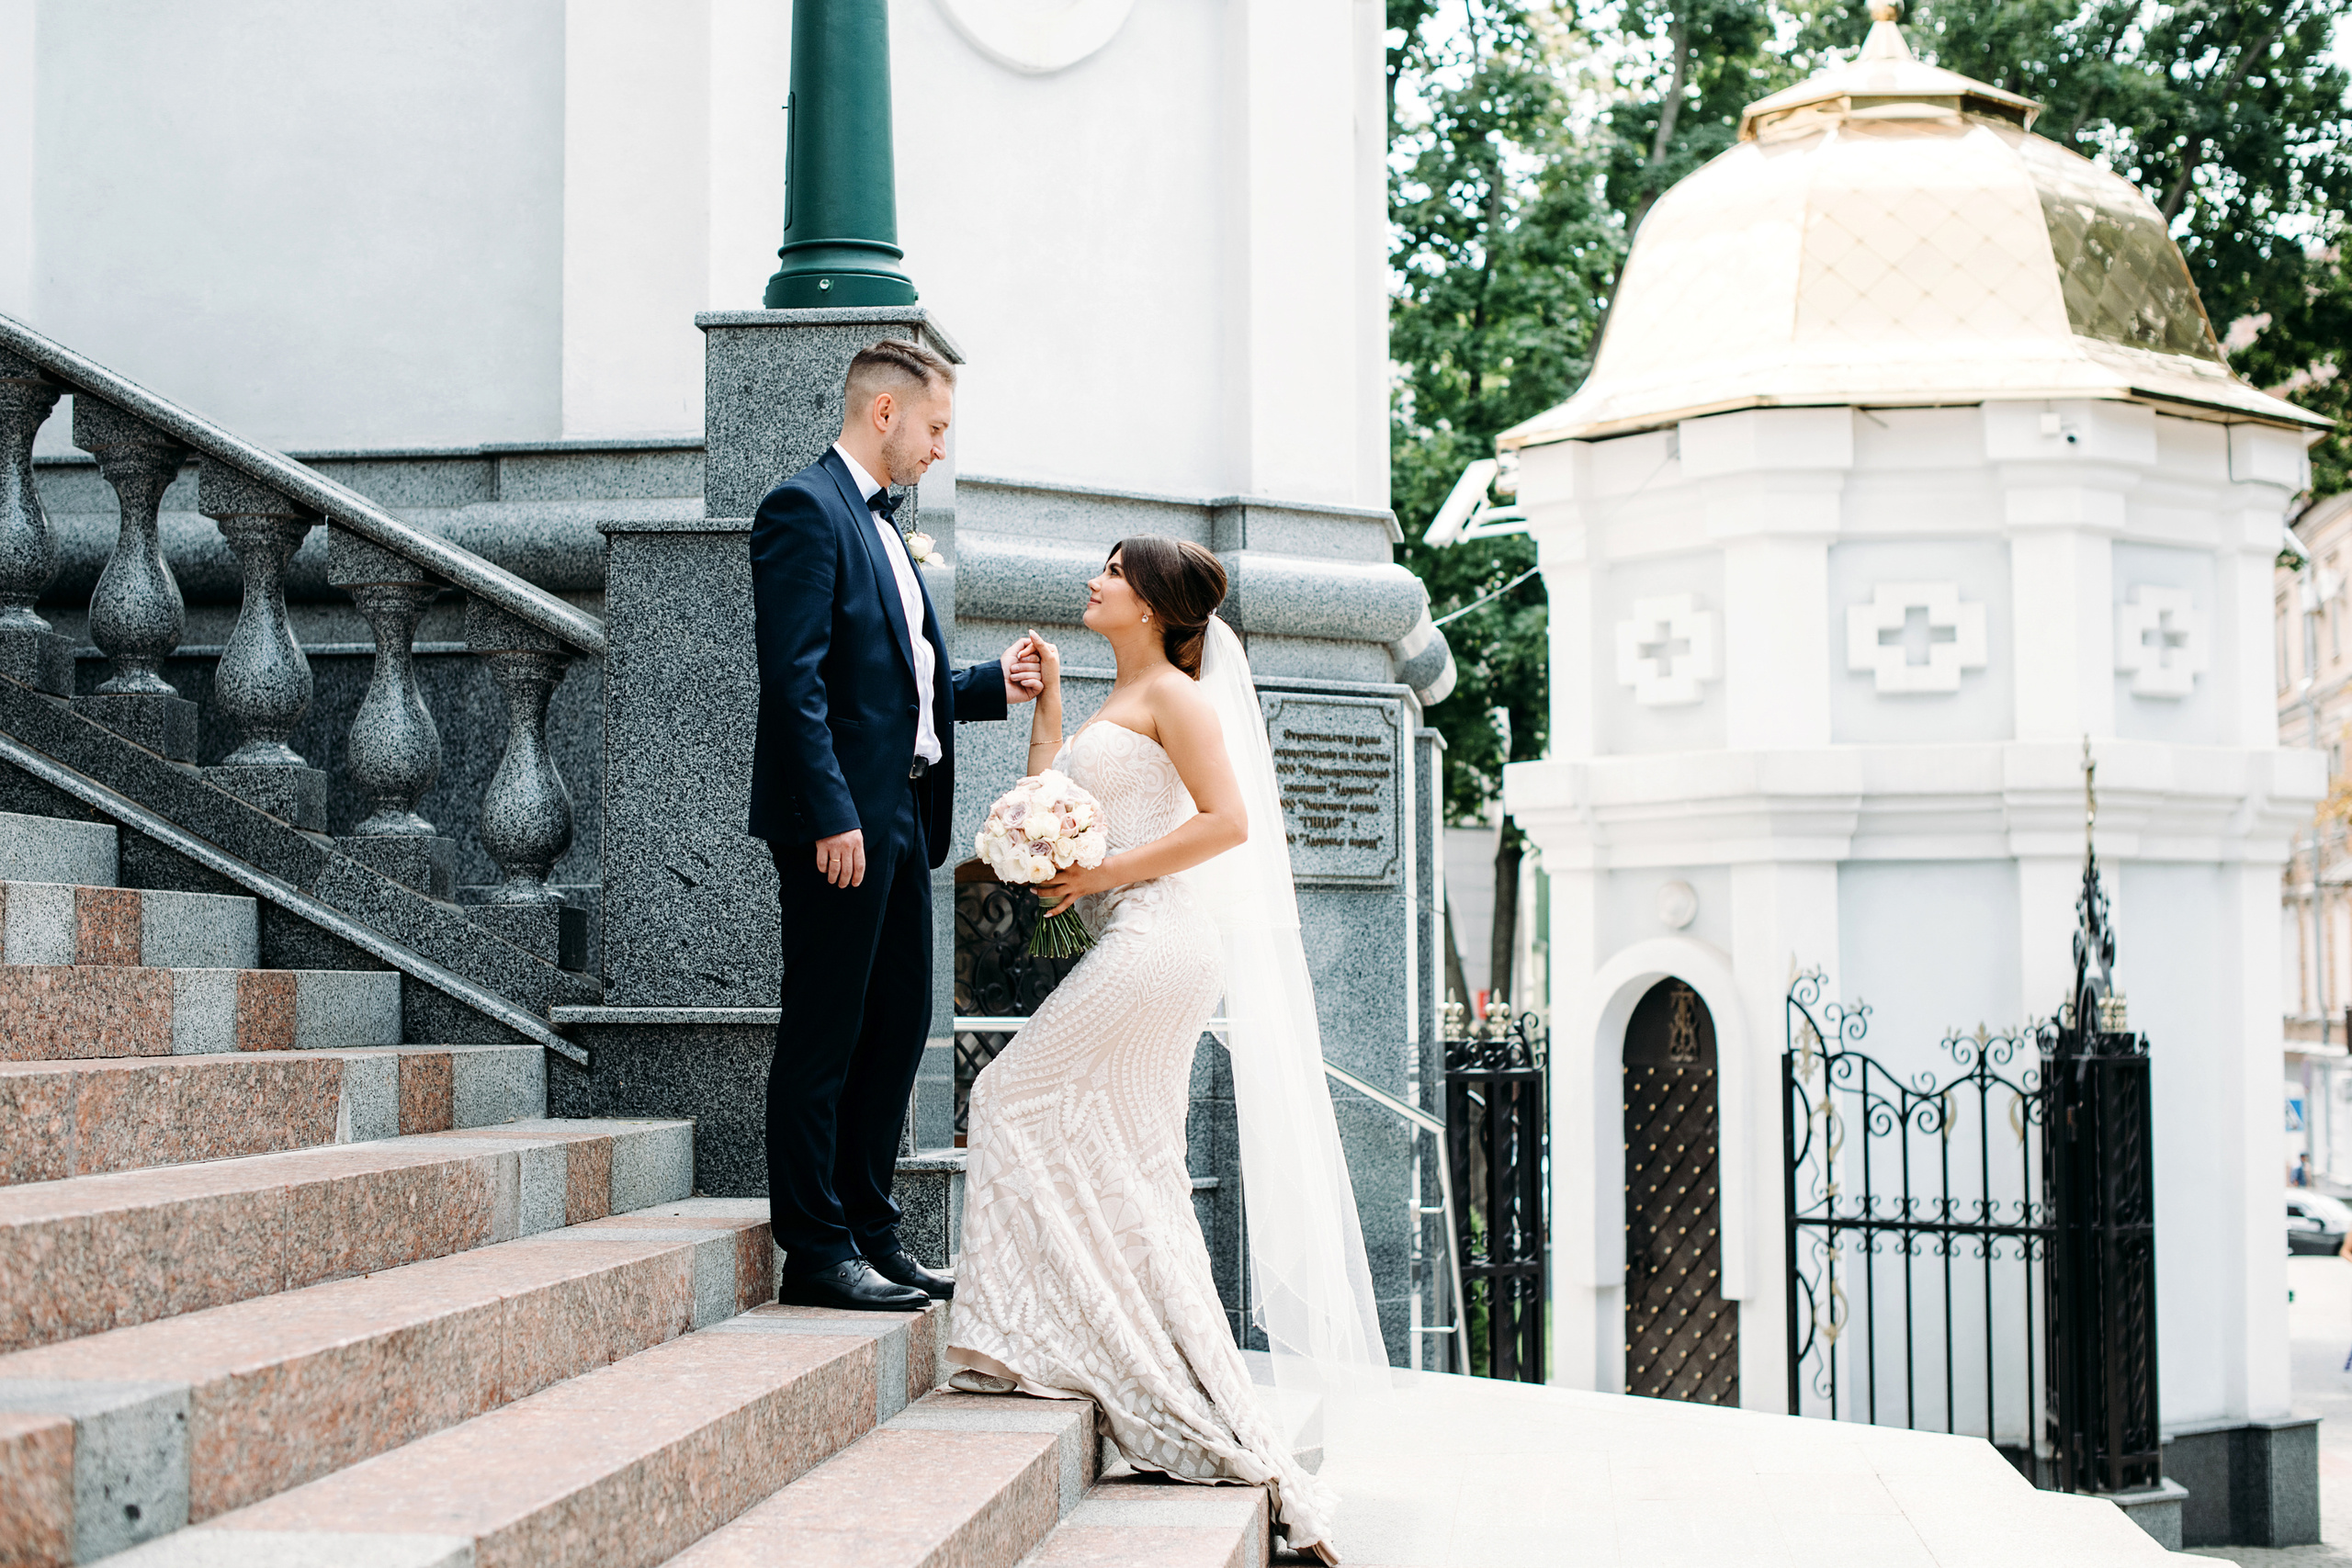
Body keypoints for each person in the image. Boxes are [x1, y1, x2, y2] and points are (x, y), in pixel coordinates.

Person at [948, 536, 1385, 1564]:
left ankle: (1044, 1332)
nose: (1093, 580)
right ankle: (1112, 1344)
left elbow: (1229, 822)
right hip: (1134, 934)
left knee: (1010, 1095)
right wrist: (1051, 712)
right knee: (1127, 1156)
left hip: (1161, 939)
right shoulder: (1120, 696)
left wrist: (1103, 879)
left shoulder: (1180, 697)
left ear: (1147, 603)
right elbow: (1056, 802)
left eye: (1112, 571)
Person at [747, 338, 1042, 1312]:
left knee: (897, 1026)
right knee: (827, 1031)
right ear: (885, 412)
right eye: (935, 427)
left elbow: (897, 684)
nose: (939, 448)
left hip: (907, 813)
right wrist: (831, 814)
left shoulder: (884, 523)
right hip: (841, 824)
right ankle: (815, 1249)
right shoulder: (803, 509)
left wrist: (990, 685)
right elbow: (793, 682)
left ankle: (873, 1232)